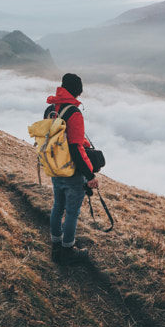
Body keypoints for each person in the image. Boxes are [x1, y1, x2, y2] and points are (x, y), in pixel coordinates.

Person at [45, 72, 99, 263]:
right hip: (72, 171)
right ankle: (68, 249)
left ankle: (56, 245)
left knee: (57, 207)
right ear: (77, 91)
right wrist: (90, 174)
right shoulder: (74, 113)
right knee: (72, 212)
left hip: (54, 167)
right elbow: (76, 147)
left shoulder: (51, 109)